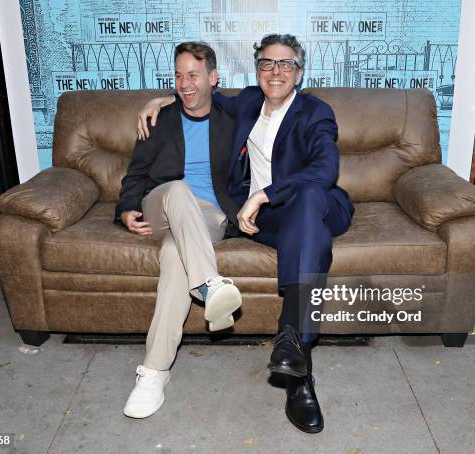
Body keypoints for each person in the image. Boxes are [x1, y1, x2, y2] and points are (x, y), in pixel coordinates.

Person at [137, 34, 354, 433]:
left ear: (299, 73)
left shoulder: (315, 112)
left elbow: (324, 173)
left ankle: (296, 361)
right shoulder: (249, 101)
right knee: (312, 243)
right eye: (267, 64)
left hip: (311, 206)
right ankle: (296, 354)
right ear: (257, 71)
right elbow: (199, 93)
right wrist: (160, 100)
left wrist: (263, 195)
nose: (276, 71)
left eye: (285, 64)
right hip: (269, 223)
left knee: (306, 202)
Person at [116, 42, 243, 419]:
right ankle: (210, 285)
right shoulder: (161, 118)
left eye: (193, 75)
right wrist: (126, 209)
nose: (185, 84)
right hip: (162, 202)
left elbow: (269, 95)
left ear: (213, 78)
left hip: (206, 216)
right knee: (178, 188)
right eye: (178, 75)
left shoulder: (232, 117)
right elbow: (136, 172)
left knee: (175, 255)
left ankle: (154, 373)